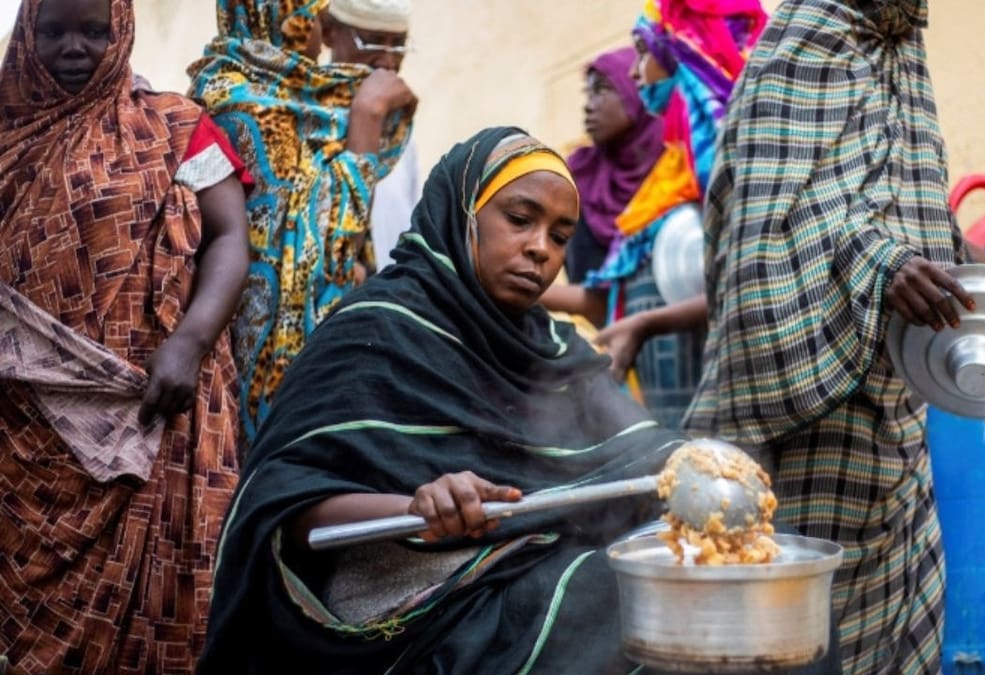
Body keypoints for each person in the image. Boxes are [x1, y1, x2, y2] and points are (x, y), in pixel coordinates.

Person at [685, 1, 985, 673]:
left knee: (906, 641)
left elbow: (916, 227)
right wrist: (877, 267)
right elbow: (765, 230)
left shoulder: (902, 51)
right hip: (811, 435)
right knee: (796, 646)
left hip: (899, 434)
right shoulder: (805, 41)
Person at [195, 128, 693, 674]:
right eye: (520, 219)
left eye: (559, 236)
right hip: (415, 605)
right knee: (627, 607)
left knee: (708, 573)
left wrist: (705, 464)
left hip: (529, 565)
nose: (540, 249)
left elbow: (641, 449)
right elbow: (287, 508)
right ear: (463, 215)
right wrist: (416, 508)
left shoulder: (553, 347)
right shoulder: (379, 328)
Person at [0, 0, 251, 671]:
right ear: (26, 33)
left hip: (156, 402)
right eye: (53, 30)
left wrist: (189, 342)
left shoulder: (174, 127)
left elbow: (230, 238)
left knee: (164, 600)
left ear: (123, 32)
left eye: (94, 30)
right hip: (23, 435)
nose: (74, 47)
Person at [189, 0, 416, 448]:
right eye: (314, 15)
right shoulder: (243, 104)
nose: (321, 28)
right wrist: (367, 120)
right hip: (254, 349)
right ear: (281, 16)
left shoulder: (301, 99)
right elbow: (327, 242)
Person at [542, 0, 767, 430]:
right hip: (667, 408)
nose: (633, 73)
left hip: (726, 404)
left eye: (643, 53)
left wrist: (646, 323)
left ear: (681, 52)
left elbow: (746, 279)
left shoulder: (727, 159)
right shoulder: (672, 175)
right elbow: (617, 294)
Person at [317, 0, 424, 270]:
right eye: (372, 42)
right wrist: (368, 115)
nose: (388, 61)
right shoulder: (305, 121)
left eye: (398, 44)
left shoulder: (399, 134)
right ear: (329, 32)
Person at [563, 46, 663, 288]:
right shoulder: (580, 177)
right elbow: (583, 281)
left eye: (602, 89)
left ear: (635, 91)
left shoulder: (681, 166)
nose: (588, 106)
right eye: (588, 93)